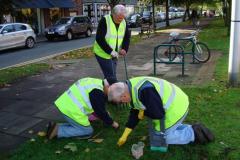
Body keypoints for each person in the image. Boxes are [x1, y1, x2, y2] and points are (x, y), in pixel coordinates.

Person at [107, 76, 214, 147]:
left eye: (120, 102)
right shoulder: (129, 87)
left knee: (160, 139)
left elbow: (158, 114)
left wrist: (143, 112)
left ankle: (193, 134)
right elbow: (135, 113)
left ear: (124, 96)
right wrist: (125, 134)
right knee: (157, 134)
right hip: (174, 103)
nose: (122, 104)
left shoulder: (145, 91)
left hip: (177, 108)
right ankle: (192, 128)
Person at [47, 77, 119, 139]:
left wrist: (104, 115)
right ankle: (58, 131)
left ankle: (54, 127)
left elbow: (96, 107)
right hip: (71, 110)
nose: (111, 96)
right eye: (112, 92)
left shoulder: (96, 82)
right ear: (107, 87)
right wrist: (112, 123)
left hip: (64, 103)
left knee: (80, 125)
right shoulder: (98, 93)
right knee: (87, 131)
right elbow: (100, 112)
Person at [93, 4, 130, 85]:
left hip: (115, 54)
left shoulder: (123, 21)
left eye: (122, 17)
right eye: (119, 17)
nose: (121, 19)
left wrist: (124, 48)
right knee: (111, 77)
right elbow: (99, 38)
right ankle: (114, 94)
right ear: (113, 14)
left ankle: (106, 91)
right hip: (102, 53)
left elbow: (127, 36)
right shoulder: (105, 20)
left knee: (110, 75)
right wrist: (110, 51)